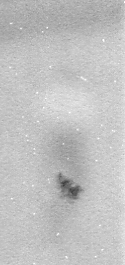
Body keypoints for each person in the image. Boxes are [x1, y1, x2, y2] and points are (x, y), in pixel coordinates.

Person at [36, 71, 95, 243]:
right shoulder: (73, 96)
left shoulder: (55, 96)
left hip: (67, 143)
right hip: (67, 143)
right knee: (67, 177)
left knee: (66, 177)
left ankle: (61, 216)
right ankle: (60, 218)